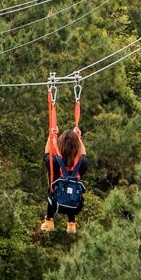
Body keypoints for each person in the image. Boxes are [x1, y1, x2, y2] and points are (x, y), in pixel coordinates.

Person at [40, 84, 86, 234]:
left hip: (56, 204)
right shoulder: (81, 163)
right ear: (77, 147)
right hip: (76, 206)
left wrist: (51, 136)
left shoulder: (54, 162)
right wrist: (79, 138)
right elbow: (83, 154)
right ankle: (71, 223)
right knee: (72, 189)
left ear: (59, 145)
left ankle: (49, 220)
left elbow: (47, 153)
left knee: (52, 190)